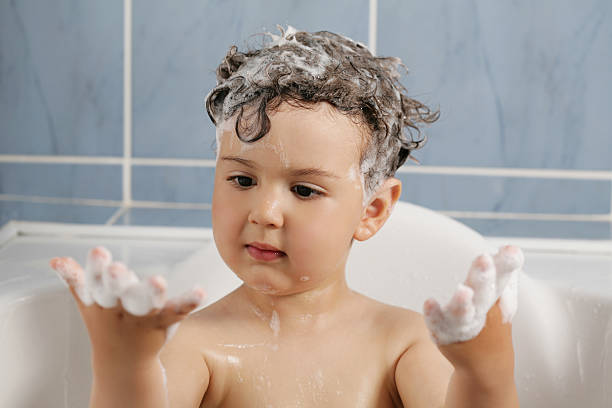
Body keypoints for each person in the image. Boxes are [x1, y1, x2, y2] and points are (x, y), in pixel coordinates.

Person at [50, 26, 523, 407]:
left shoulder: (400, 343)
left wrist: (486, 375)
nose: (265, 212)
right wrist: (124, 370)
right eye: (242, 180)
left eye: (303, 189)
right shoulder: (195, 346)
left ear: (371, 210)